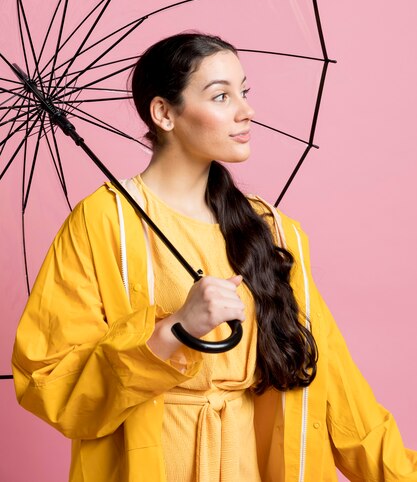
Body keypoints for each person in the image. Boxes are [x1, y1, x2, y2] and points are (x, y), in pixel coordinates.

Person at [12, 33, 417, 482]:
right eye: (222, 96)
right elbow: (52, 383)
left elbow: (337, 390)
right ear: (164, 113)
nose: (246, 111)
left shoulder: (272, 230)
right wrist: (174, 329)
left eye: (244, 92)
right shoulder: (106, 222)